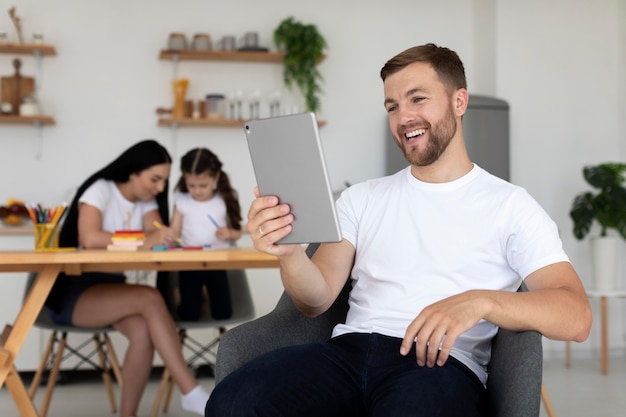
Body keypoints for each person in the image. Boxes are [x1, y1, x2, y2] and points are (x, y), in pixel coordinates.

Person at [205, 44, 593, 417]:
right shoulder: (361, 198)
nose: (403, 116)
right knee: (233, 402)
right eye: (392, 106)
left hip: (438, 364)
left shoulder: (511, 206)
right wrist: (289, 252)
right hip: (346, 353)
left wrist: (481, 302)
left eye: (417, 99)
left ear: (459, 102)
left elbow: (577, 316)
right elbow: (315, 299)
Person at [44, 139, 210, 417]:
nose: (159, 188)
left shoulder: (144, 202)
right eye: (154, 179)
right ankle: (191, 392)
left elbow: (155, 234)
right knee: (149, 296)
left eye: (163, 181)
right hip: (74, 292)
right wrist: (145, 239)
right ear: (133, 172)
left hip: (114, 292)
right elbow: (90, 237)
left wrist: (163, 236)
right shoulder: (101, 190)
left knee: (143, 332)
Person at [169, 147, 242, 321]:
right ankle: (186, 294)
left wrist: (228, 233)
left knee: (223, 313)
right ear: (184, 179)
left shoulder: (224, 199)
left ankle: (202, 294)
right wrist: (169, 235)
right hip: (189, 261)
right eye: (191, 185)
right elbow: (174, 231)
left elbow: (237, 233)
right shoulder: (182, 200)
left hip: (217, 261)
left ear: (215, 178)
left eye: (203, 185)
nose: (197, 191)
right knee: (189, 315)